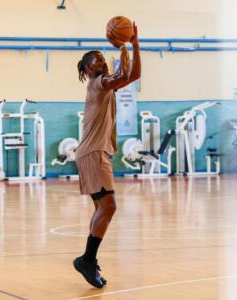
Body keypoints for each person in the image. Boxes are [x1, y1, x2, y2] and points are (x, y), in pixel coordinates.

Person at [73, 23, 141, 288]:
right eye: (94, 60)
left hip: (94, 153)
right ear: (87, 69)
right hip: (92, 154)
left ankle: (88, 260)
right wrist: (126, 46)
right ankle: (87, 259)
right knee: (109, 206)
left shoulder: (105, 85)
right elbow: (128, 74)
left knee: (103, 207)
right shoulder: (98, 84)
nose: (100, 61)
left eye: (101, 58)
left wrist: (133, 46)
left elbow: (131, 74)